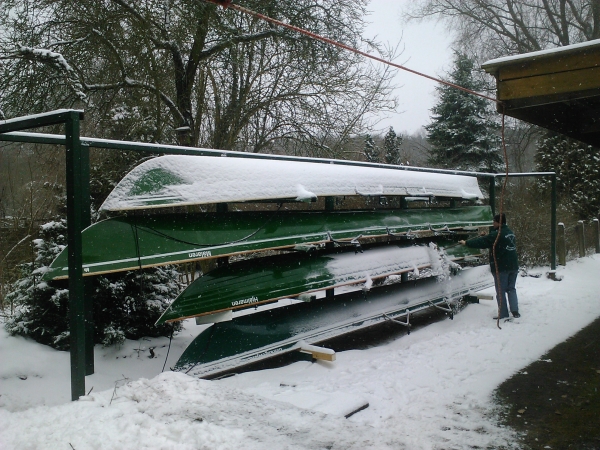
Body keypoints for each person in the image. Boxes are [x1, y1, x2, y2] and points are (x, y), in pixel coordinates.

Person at [459, 213, 520, 320]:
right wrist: (487, 236)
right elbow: (495, 239)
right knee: (511, 289)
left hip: (501, 267)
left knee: (500, 292)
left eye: (494, 221)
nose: (493, 223)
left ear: (498, 222)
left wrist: (466, 243)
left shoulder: (496, 235)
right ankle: (515, 311)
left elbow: (482, 242)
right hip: (513, 266)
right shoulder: (510, 232)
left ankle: (503, 314)